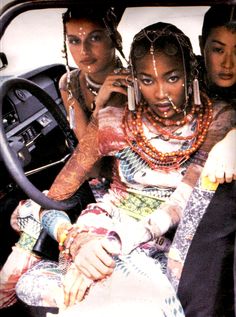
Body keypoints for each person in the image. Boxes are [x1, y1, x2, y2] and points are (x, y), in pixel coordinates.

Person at [15, 22, 236, 317]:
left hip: (157, 240)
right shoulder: (111, 119)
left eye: (172, 78)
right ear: (133, 80)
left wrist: (112, 245)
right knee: (32, 279)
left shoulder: (218, 117)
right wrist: (80, 241)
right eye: (146, 80)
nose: (160, 93)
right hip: (99, 232)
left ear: (190, 73)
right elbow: (55, 196)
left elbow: (182, 202)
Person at [0, 3, 126, 311]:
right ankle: (6, 291)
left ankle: (7, 292)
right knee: (30, 211)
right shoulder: (69, 83)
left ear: (114, 39)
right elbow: (84, 149)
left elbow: (98, 160)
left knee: (36, 210)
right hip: (89, 181)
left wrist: (108, 104)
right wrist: (98, 108)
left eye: (95, 38)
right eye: (74, 40)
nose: (84, 50)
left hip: (120, 188)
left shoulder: (135, 83)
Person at [168, 5, 236, 317]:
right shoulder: (176, 79)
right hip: (166, 185)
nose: (228, 63)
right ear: (201, 45)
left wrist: (233, 137)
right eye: (217, 49)